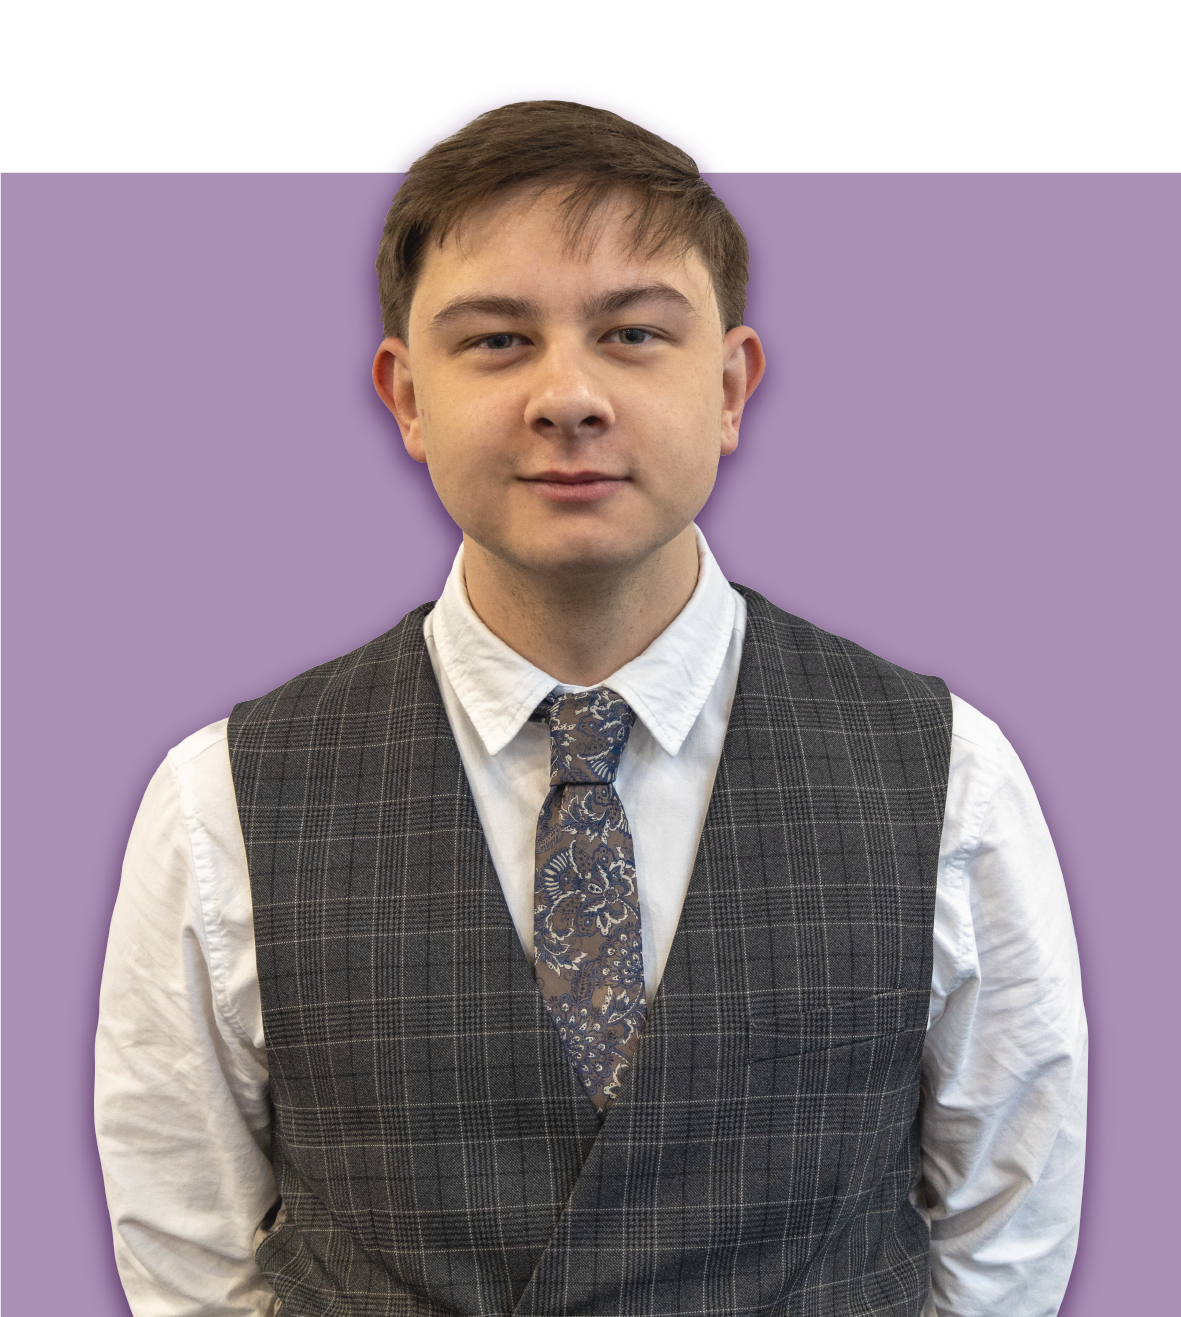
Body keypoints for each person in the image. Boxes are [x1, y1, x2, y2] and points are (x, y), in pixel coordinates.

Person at [94, 101, 1087, 1317]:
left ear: (728, 385)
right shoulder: (222, 801)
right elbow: (186, 1254)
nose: (567, 395)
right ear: (405, 397)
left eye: (629, 332)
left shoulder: (946, 774)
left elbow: (1008, 1220)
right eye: (498, 342)